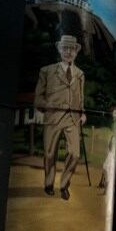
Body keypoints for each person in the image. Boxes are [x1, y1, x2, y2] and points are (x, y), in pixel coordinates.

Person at [34, 35, 86, 201]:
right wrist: (48, 106)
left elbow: (80, 98)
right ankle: (49, 183)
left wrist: (83, 113)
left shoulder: (80, 74)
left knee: (75, 154)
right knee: (50, 154)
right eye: (65, 48)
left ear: (76, 52)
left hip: (73, 118)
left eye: (72, 49)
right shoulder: (47, 71)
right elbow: (38, 98)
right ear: (59, 50)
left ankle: (64, 185)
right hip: (53, 117)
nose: (68, 52)